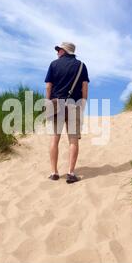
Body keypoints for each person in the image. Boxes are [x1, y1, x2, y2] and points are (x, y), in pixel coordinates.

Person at [45, 42, 90, 184]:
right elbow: (84, 86)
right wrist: (83, 102)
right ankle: (71, 173)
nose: (57, 52)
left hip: (56, 103)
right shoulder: (81, 66)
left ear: (64, 51)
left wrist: (47, 102)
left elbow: (48, 86)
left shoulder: (53, 64)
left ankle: (54, 173)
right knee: (73, 140)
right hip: (74, 104)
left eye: (59, 50)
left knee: (54, 139)